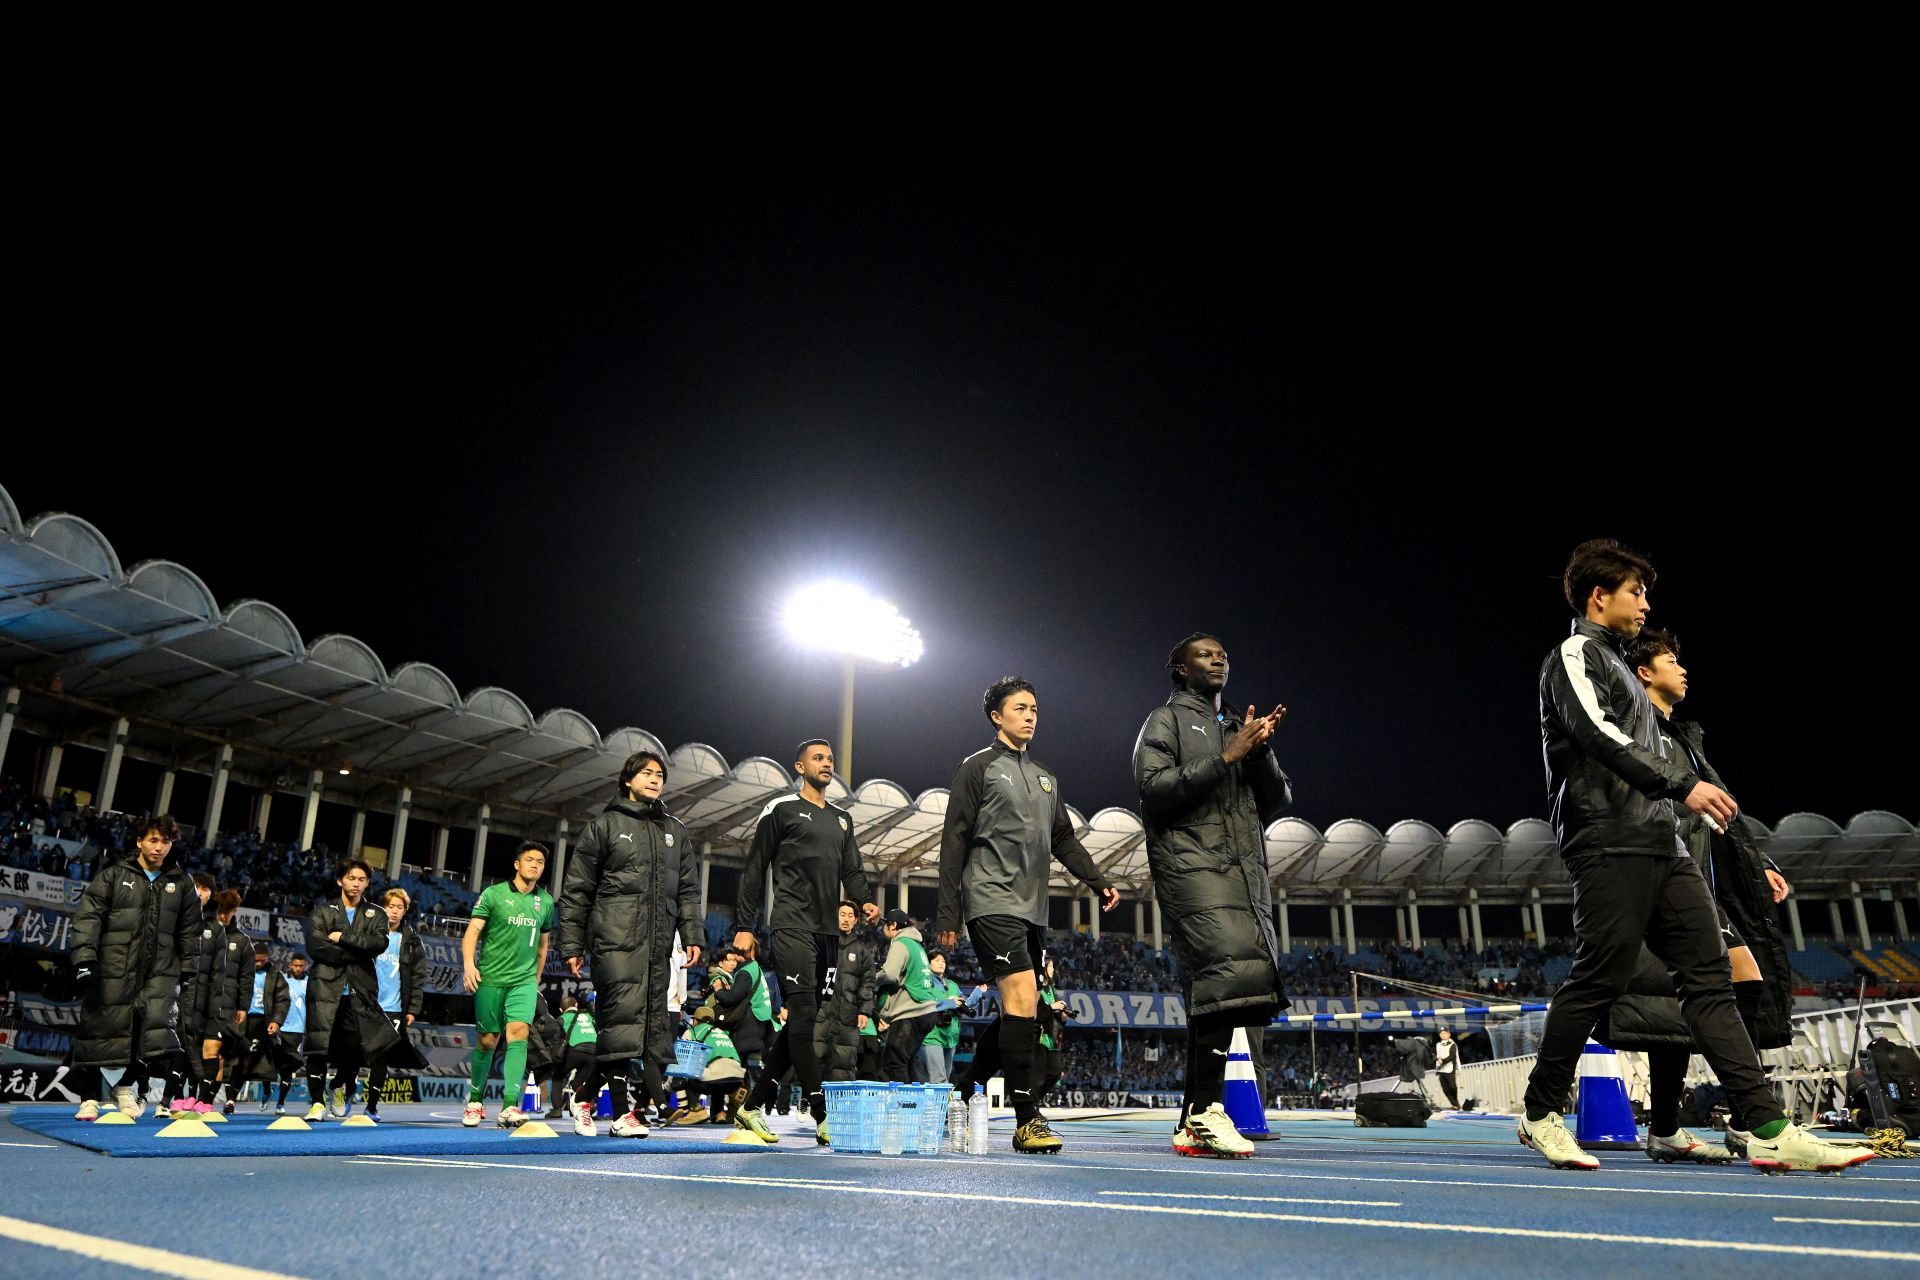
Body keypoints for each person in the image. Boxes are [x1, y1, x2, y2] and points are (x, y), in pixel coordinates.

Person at [1517, 539, 1868, 1173]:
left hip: (1662, 843)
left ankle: (1767, 1127)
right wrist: (1681, 784)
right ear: (1600, 597)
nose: (1646, 604)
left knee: (1710, 979)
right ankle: (1541, 1111)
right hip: (1607, 840)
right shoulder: (1572, 656)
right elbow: (1598, 734)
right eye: (1636, 592)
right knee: (1600, 977)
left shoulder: (1626, 667)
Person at [1592, 627, 1801, 1163]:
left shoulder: (1682, 738)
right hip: (1653, 879)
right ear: (1644, 673)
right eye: (1671, 660)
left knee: (1710, 992)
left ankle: (1697, 1123)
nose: (1683, 670)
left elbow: (1717, 812)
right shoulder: (1633, 735)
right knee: (1698, 993)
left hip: (1697, 884)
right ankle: (1742, 1118)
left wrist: (1760, 867)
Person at [935, 676, 1119, 1154]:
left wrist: (1098, 881)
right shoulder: (976, 768)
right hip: (989, 898)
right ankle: (1026, 1120)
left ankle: (965, 1086)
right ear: (997, 716)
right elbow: (953, 839)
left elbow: (1063, 839)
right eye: (1020, 707)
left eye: (1034, 707)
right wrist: (948, 914)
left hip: (1032, 909)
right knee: (1019, 997)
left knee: (1027, 1008)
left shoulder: (1046, 778)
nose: (1031, 714)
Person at [1132, 636, 1290, 1159]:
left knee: (1217, 990)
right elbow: (1154, 790)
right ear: (1179, 669)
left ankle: (1192, 1118)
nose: (1219, 658)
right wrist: (1226, 757)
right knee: (1223, 977)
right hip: (1192, 866)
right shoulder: (1165, 721)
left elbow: (1279, 801)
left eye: (1223, 652)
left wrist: (1258, 753)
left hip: (1241, 871)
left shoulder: (1234, 728)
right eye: (1204, 654)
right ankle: (1205, 1111)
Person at [730, 739, 880, 1146]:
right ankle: (822, 1114)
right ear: (800, 766)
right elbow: (755, 867)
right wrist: (745, 924)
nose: (827, 763)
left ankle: (752, 1104)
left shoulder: (842, 819)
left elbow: (853, 869)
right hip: (791, 926)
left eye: (830, 759)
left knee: (803, 1021)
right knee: (803, 1012)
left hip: (827, 933)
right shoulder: (780, 810)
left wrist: (865, 900)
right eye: (819, 758)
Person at [560, 752, 702, 1139]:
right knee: (621, 1023)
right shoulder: (604, 825)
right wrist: (571, 943)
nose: (655, 779)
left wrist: (692, 934)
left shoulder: (675, 831)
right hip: (615, 940)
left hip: (658, 947)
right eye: (646, 773)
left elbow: (688, 890)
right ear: (627, 780)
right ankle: (623, 1115)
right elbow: (577, 891)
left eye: (660, 774)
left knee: (643, 1034)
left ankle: (584, 1095)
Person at [69, 815, 202, 1122]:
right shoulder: (113, 875)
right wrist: (85, 960)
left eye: (165, 842)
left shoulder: (182, 883)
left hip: (160, 972)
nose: (159, 847)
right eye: (153, 840)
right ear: (139, 841)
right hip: (113, 968)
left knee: (148, 1030)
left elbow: (190, 929)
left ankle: (126, 1088)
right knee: (97, 1029)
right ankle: (89, 1098)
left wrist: (188, 967)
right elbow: (88, 918)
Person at [462, 842, 555, 1129]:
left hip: (523, 982)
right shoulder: (494, 894)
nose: (535, 865)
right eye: (530, 860)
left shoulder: (546, 902)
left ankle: (509, 1105)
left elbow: (543, 943)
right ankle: (475, 1101)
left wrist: (535, 977)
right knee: (488, 1039)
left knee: (519, 1034)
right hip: (490, 978)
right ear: (517, 864)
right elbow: (472, 932)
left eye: (540, 861)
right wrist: (468, 965)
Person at [303, 858, 397, 1123]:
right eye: (351, 878)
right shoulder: (323, 910)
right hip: (324, 988)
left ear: (367, 883)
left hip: (359, 990)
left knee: (354, 1049)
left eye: (362, 879)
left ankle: (337, 1087)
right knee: (317, 1046)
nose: (356, 884)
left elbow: (378, 943)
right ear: (340, 880)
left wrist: (343, 937)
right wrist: (357, 951)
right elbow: (316, 947)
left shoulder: (376, 913)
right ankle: (316, 1104)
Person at [175, 883, 240, 1116]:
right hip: (194, 999)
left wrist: (239, 1005)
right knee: (191, 1049)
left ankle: (206, 1100)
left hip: (220, 1005)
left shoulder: (239, 941)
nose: (228, 917)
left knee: (214, 1053)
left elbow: (240, 977)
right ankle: (187, 1097)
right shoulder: (194, 928)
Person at [363, 888, 427, 1120]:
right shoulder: (368, 933)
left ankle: (371, 1106)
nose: (394, 911)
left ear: (405, 911)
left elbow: (419, 977)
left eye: (399, 907)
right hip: (365, 1005)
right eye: (390, 906)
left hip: (393, 1008)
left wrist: (412, 1009)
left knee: (381, 1058)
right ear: (382, 907)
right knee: (353, 1052)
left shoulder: (411, 941)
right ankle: (344, 1087)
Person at [814, 901, 877, 1084]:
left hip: (847, 1013)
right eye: (842, 914)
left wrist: (865, 1010)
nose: (846, 919)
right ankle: (811, 1101)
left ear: (856, 920)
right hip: (821, 1009)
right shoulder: (821, 944)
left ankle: (840, 1104)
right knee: (816, 1056)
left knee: (844, 1061)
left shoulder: (862, 952)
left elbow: (868, 983)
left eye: (850, 916)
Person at [876, 910, 941, 1083]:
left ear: (893, 925)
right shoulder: (916, 944)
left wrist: (872, 977)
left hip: (911, 1010)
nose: (883, 927)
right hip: (927, 1010)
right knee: (908, 1061)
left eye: (886, 923)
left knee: (894, 1061)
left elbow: (890, 975)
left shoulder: (901, 942)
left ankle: (903, 1107)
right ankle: (913, 1107)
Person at [272, 954, 309, 1114]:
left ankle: (280, 1103)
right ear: (290, 965)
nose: (298, 969)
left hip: (298, 1031)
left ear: (305, 966)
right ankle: (268, 1092)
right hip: (280, 1028)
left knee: (292, 1066)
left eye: (301, 966)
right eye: (295, 965)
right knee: (273, 1063)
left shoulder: (309, 983)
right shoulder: (283, 981)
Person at [921, 951, 963, 1085]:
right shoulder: (924, 981)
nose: (941, 963)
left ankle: (942, 1105)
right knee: (938, 1079)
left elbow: (963, 1003)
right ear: (928, 963)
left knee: (946, 1078)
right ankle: (935, 1105)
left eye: (943, 961)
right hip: (933, 1033)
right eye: (937, 960)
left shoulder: (952, 985)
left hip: (951, 1035)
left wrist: (977, 994)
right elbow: (924, 1002)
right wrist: (948, 1002)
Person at [554, 992, 599, 1115]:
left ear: (560, 1009)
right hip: (594, 1053)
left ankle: (557, 1109)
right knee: (581, 1079)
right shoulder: (589, 1016)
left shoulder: (562, 1018)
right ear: (576, 1004)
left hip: (575, 1051)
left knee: (557, 1074)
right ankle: (576, 1101)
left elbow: (554, 1036)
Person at [1432, 1027, 1459, 1110]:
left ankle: (1455, 1102)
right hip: (1441, 1069)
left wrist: (1443, 1061)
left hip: (1449, 1068)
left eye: (1444, 1033)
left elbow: (1452, 1056)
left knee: (1452, 1086)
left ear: (1449, 1034)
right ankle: (1455, 1104)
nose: (1443, 1035)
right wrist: (1436, 1059)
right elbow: (1437, 1056)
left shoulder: (1452, 1044)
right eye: (1441, 1033)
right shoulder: (1438, 1044)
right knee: (1445, 1089)